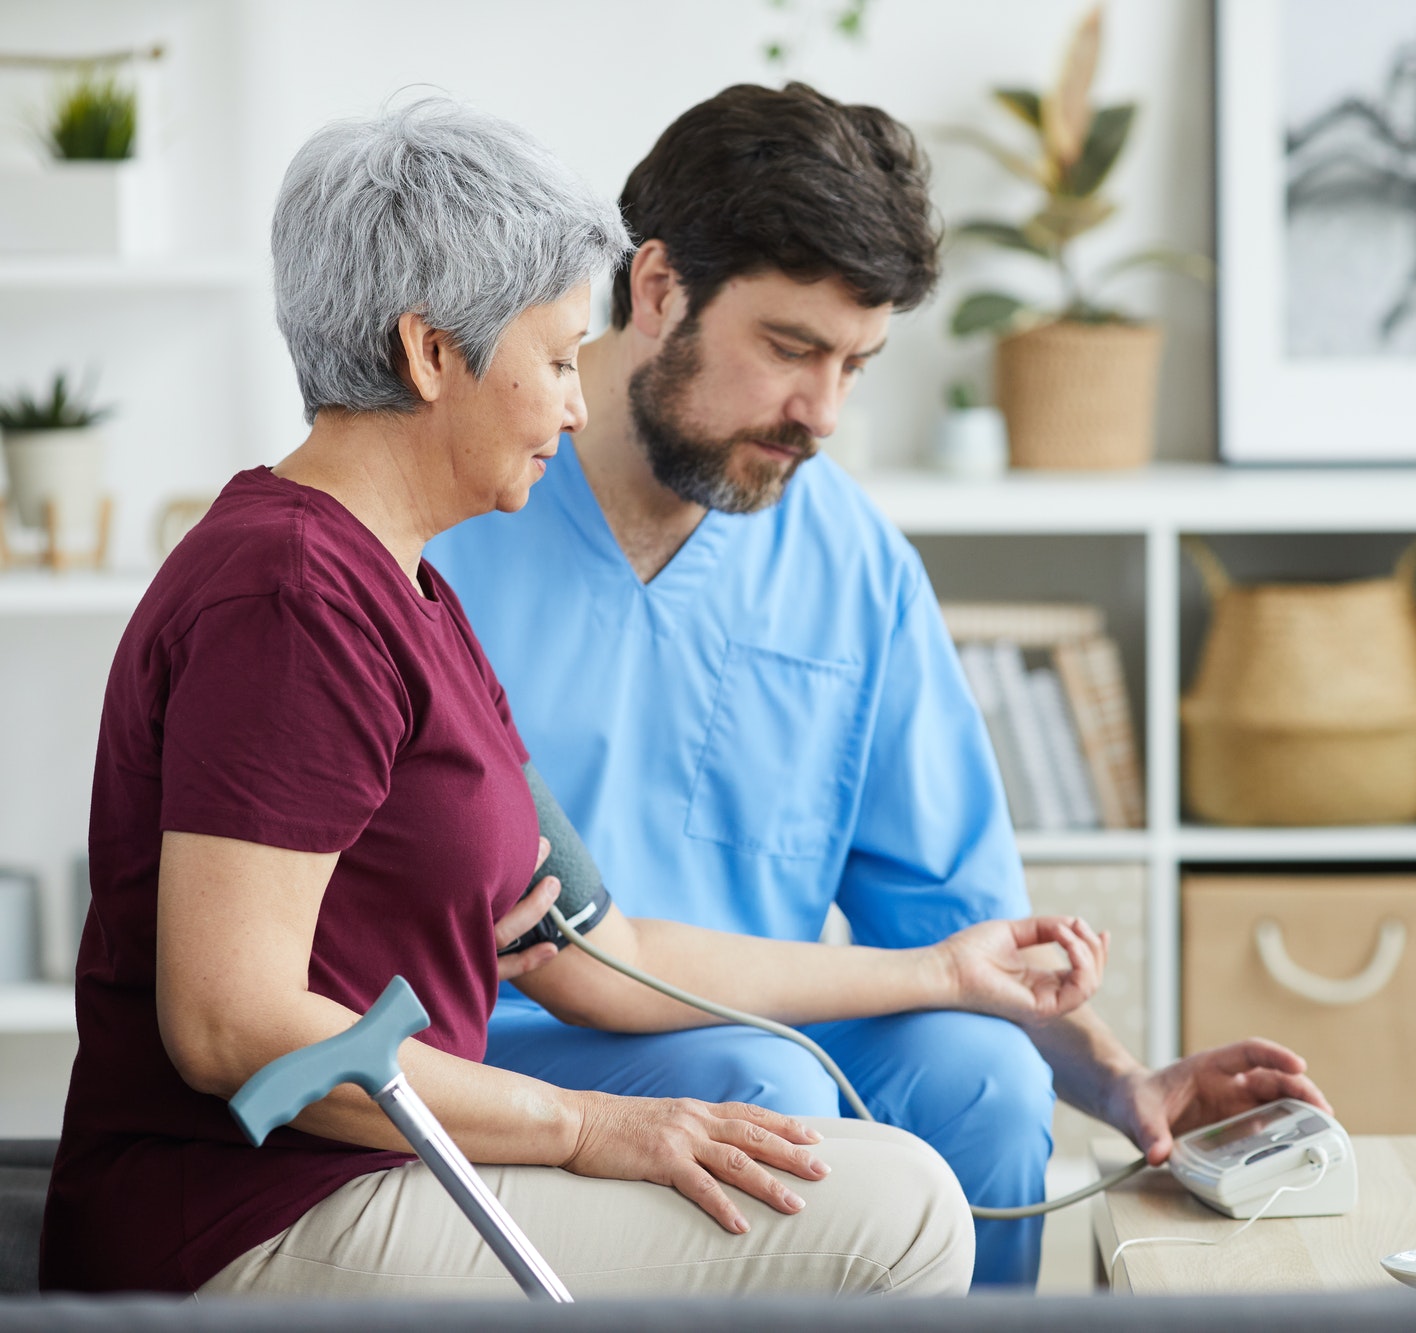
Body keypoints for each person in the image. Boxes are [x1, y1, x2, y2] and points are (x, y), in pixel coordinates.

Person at [40, 98, 1106, 1298]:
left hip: (370, 1174)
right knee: (895, 1214)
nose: (577, 401)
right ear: (429, 352)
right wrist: (585, 1128)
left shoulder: (411, 596)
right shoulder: (291, 596)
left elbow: (611, 952)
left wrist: (944, 977)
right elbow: (229, 1026)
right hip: (254, 1213)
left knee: (862, 1168)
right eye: (552, 360)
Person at [425, 81, 1332, 1287]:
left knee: (987, 1078)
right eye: (791, 350)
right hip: (504, 1038)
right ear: (655, 290)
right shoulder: (449, 509)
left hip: (768, 1020)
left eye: (856, 363)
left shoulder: (851, 562)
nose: (822, 414)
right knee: (770, 1085)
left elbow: (951, 932)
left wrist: (1120, 1077)